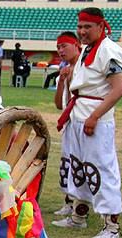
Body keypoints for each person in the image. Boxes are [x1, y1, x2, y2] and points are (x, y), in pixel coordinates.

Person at [51, 8, 122, 238]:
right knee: (79, 167)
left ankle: (111, 226)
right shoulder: (87, 50)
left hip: (95, 119)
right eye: (80, 26)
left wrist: (95, 116)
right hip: (78, 115)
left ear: (101, 26)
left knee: (101, 169)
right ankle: (79, 215)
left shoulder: (109, 50)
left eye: (87, 27)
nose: (82, 31)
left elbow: (118, 89)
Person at [51, 32, 82, 219]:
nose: (61, 51)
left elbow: (78, 98)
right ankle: (69, 203)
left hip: (81, 121)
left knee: (79, 164)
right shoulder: (64, 71)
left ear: (76, 44)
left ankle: (80, 206)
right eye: (58, 47)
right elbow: (58, 104)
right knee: (68, 163)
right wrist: (62, 80)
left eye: (64, 46)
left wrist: (69, 78)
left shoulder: (84, 68)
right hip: (69, 123)